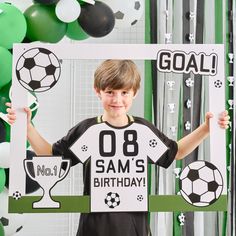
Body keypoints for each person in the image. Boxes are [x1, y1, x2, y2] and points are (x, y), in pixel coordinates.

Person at [6, 60, 230, 236]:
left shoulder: (142, 130)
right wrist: (27, 128)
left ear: (135, 93)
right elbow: (52, 157)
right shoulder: (87, 130)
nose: (117, 99)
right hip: (94, 228)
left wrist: (206, 129)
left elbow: (175, 152)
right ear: (98, 91)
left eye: (124, 93)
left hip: (134, 228)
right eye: (110, 92)